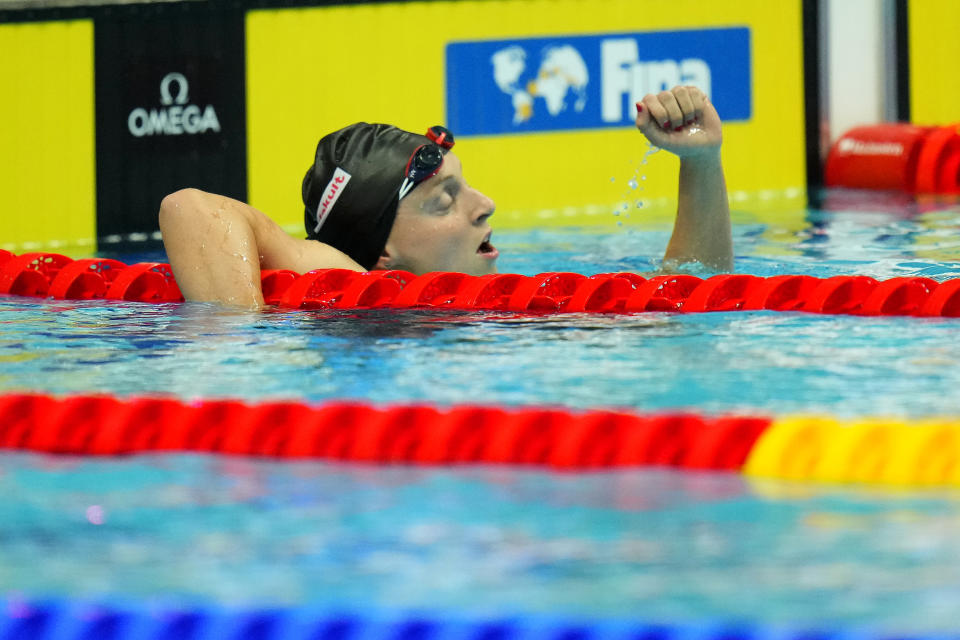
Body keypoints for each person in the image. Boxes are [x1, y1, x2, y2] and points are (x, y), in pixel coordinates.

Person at [159, 85, 733, 309]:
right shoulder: (350, 280)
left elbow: (692, 302)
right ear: (381, 253)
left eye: (464, 186)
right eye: (443, 200)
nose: (485, 206)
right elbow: (190, 208)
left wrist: (702, 163)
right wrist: (239, 354)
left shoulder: (509, 309)